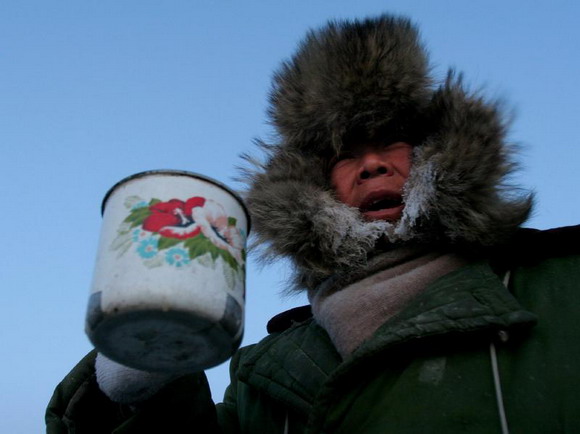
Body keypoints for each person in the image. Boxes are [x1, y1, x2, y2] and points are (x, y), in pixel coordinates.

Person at [46, 14, 580, 433]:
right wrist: (138, 380)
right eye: (346, 154)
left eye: (392, 141)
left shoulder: (560, 286)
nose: (372, 165)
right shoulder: (264, 372)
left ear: (437, 151)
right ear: (314, 185)